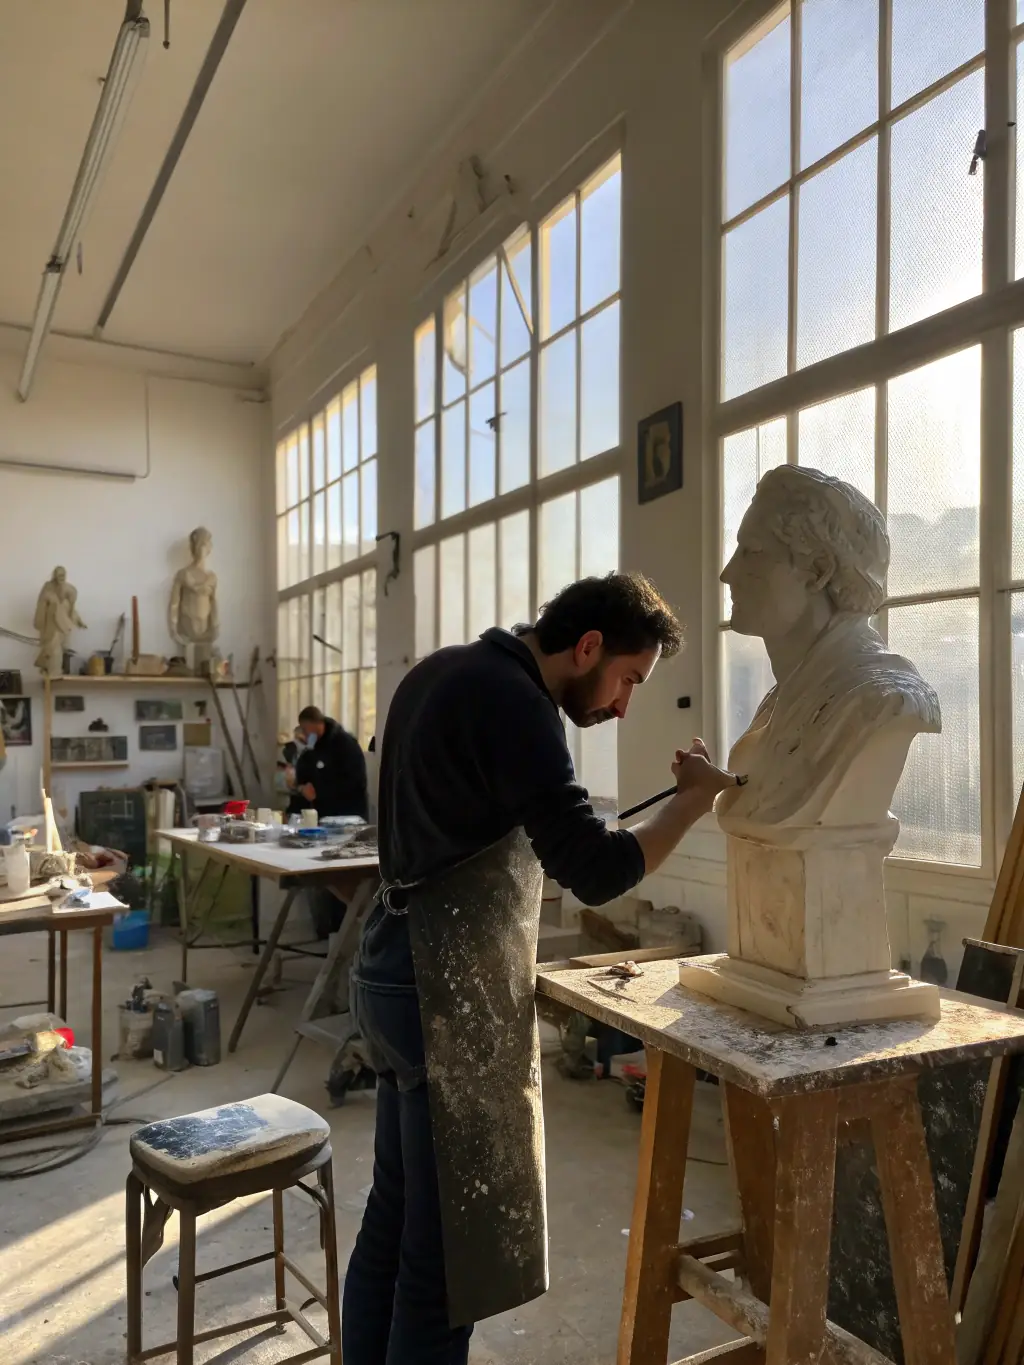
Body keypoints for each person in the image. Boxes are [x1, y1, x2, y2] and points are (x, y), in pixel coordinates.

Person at [342, 572, 740, 1364]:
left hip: (389, 968)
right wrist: (690, 804)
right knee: (445, 1258)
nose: (623, 705)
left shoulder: (443, 671)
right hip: (439, 989)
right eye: (628, 678)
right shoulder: (516, 702)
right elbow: (595, 870)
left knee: (395, 1214)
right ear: (587, 646)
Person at [291, 706, 369, 938]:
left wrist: (321, 792)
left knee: (344, 877)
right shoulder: (312, 748)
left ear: (318, 723)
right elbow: (303, 773)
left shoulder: (346, 745)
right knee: (326, 879)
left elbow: (355, 783)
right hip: (321, 822)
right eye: (303, 731)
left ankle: (345, 930)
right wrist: (302, 787)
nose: (306, 734)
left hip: (347, 820)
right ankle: (329, 929)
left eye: (307, 729)